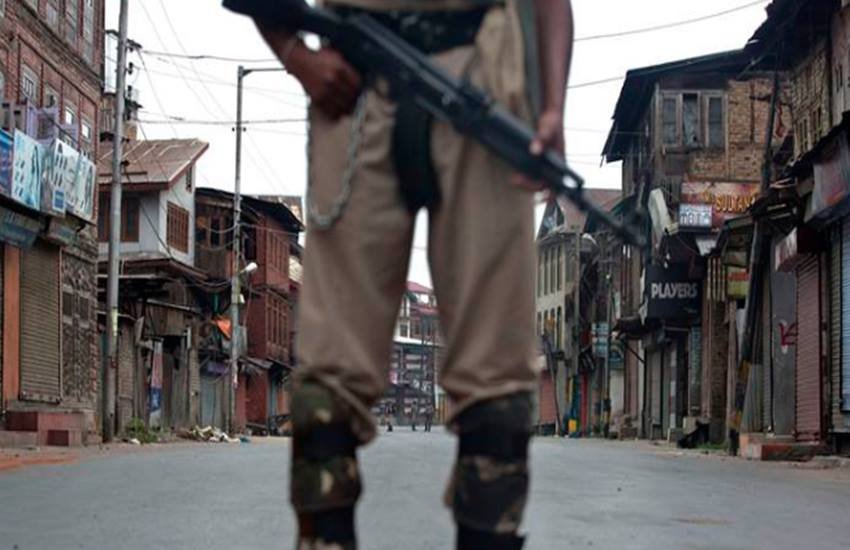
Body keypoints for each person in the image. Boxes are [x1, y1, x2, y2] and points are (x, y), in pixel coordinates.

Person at [224, 1, 573, 548]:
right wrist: (295, 56)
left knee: (498, 378)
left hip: (485, 78)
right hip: (357, 81)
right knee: (328, 375)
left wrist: (552, 105)